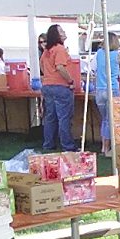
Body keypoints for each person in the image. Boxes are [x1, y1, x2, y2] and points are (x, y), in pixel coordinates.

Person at [39, 23, 76, 152]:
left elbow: (42, 65)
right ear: (56, 35)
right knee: (64, 117)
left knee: (50, 117)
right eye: (61, 31)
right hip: (61, 86)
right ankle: (67, 145)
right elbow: (60, 67)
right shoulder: (60, 49)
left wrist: (48, 75)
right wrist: (70, 80)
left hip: (47, 86)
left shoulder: (47, 51)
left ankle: (48, 144)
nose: (64, 32)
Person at [94, 32, 120, 155]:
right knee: (111, 120)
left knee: (104, 120)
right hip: (112, 89)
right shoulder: (117, 55)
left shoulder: (99, 53)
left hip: (99, 89)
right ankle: (107, 148)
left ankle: (104, 146)